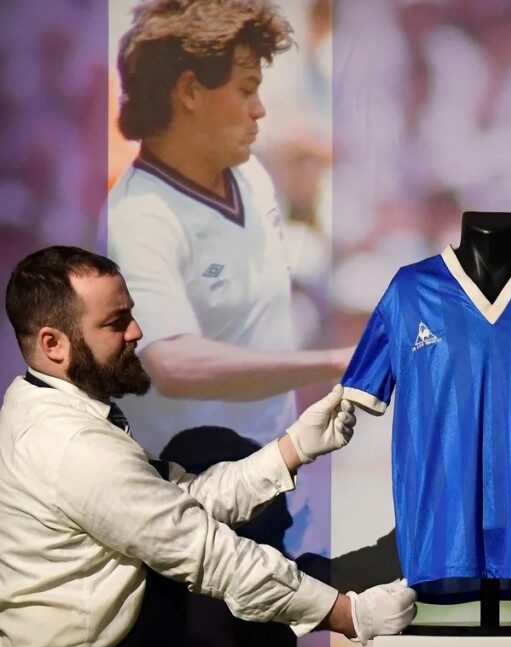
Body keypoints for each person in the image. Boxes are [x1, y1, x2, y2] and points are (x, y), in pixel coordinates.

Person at [0, 246, 417, 647]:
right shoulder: (74, 447)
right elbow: (208, 552)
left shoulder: (45, 406)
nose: (137, 331)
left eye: (131, 313)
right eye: (116, 322)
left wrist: (294, 447)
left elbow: (181, 501)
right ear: (53, 344)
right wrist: (347, 614)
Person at [106, 0, 348, 458]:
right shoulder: (138, 217)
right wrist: (336, 362)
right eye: (246, 90)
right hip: (186, 486)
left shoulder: (251, 175)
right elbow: (171, 364)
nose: (260, 110)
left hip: (269, 472)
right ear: (190, 92)